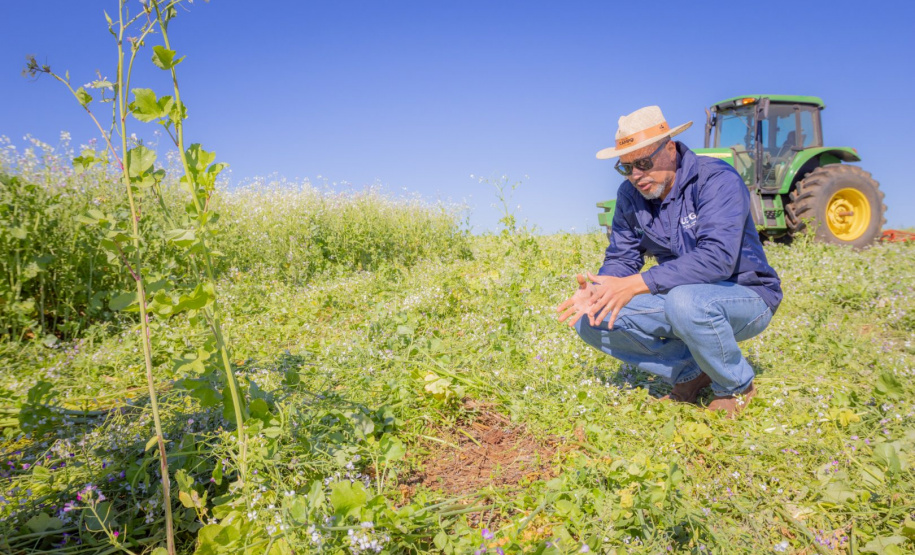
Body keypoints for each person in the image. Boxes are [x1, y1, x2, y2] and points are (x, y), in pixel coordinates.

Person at [557, 105, 782, 417]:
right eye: (626, 168)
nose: (636, 176)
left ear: (671, 148)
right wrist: (600, 287)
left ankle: (735, 386)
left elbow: (718, 259)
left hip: (745, 295)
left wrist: (637, 284)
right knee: (591, 317)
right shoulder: (629, 197)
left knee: (685, 301)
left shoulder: (716, 179)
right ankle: (692, 373)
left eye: (644, 163)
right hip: (682, 297)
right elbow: (622, 258)